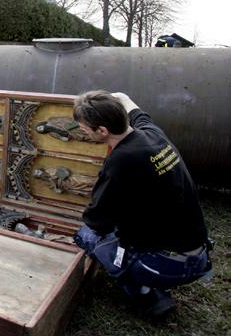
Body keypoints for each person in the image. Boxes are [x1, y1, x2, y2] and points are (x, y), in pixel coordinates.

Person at [71, 90, 212, 319]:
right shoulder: (152, 133)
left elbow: (96, 220)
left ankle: (147, 293)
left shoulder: (120, 162)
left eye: (84, 128)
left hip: (169, 264)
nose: (82, 131)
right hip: (198, 252)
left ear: (102, 131)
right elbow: (132, 106)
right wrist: (115, 98)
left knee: (87, 236)